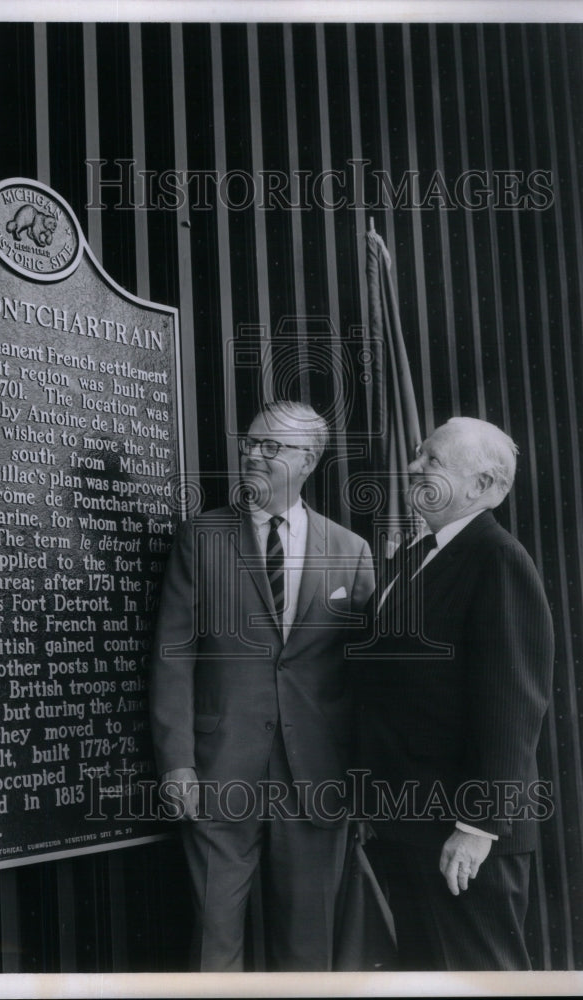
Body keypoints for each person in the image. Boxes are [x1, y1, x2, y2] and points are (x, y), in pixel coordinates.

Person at [149, 400, 374, 971]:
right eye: (250, 442)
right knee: (214, 942)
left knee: (309, 948)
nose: (252, 454)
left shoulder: (351, 551)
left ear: (308, 461)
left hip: (318, 780)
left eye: (271, 447)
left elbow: (365, 675)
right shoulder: (200, 538)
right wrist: (178, 763)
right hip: (218, 772)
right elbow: (173, 660)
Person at [354, 416, 555, 971]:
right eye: (418, 453)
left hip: (459, 836)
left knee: (480, 979)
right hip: (407, 825)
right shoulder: (415, 557)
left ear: (483, 486)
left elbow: (513, 705)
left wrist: (477, 827)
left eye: (433, 459)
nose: (414, 466)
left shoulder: (498, 561)